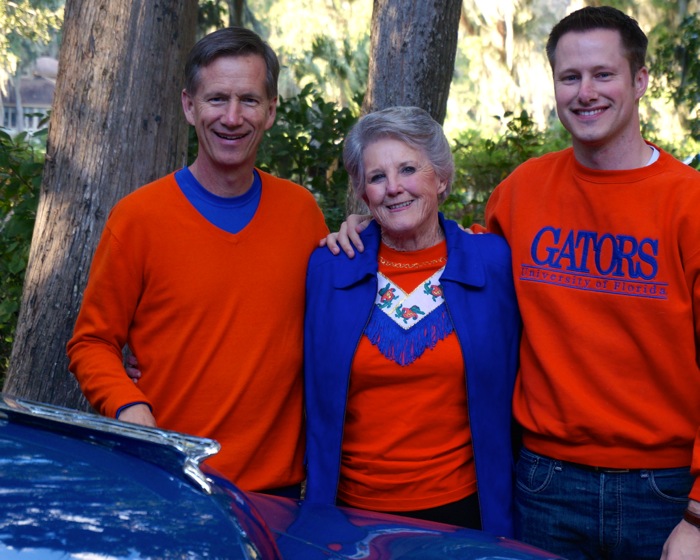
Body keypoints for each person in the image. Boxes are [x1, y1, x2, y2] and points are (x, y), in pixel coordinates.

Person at [326, 7, 700, 559]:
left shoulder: (687, 201)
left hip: (662, 489)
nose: (585, 92)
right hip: (545, 483)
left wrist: (696, 510)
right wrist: (374, 226)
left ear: (640, 80)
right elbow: (450, 255)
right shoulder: (524, 191)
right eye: (569, 77)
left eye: (603, 74)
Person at [67, 27, 329, 495]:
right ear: (190, 106)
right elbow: (92, 342)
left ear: (270, 111)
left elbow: (336, 321)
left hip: (276, 494)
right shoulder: (138, 218)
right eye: (217, 99)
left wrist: (360, 236)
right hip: (167, 480)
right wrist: (130, 408)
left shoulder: (302, 214)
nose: (232, 117)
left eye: (249, 100)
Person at [304, 106, 521, 536]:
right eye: (377, 176)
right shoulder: (329, 267)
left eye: (408, 168)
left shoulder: (492, 262)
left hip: (466, 512)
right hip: (349, 514)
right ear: (363, 193)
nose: (394, 188)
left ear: (440, 178)